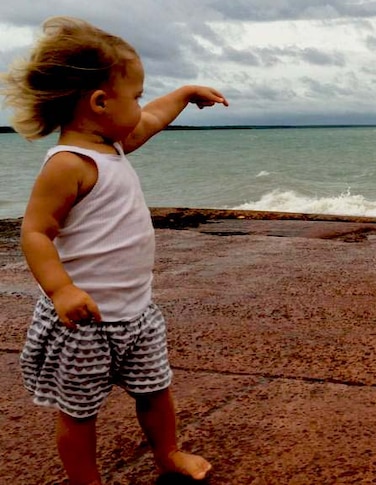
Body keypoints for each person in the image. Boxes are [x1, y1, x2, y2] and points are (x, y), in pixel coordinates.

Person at [1, 16, 228, 485]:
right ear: (101, 102)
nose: (142, 106)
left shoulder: (113, 145)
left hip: (136, 312)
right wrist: (61, 290)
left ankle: (168, 454)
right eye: (136, 95)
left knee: (157, 391)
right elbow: (36, 233)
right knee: (79, 412)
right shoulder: (69, 165)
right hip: (85, 321)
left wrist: (184, 94)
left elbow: (150, 123)